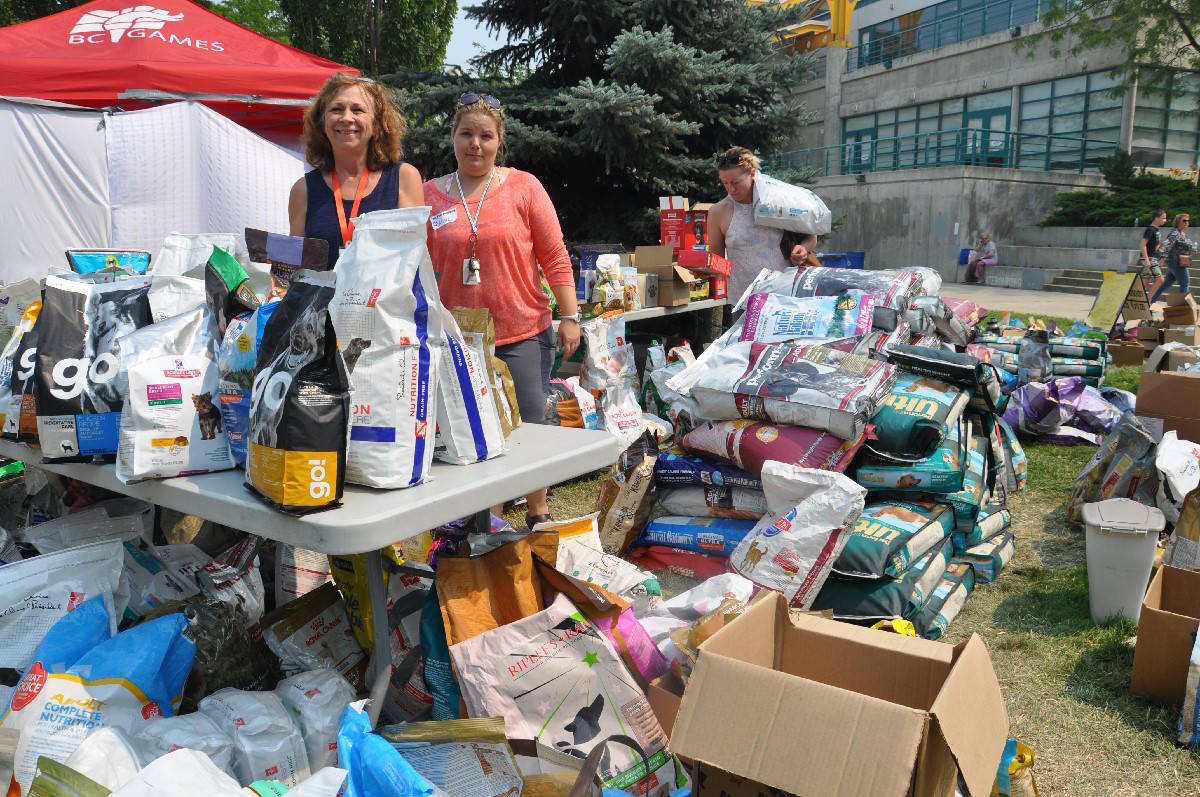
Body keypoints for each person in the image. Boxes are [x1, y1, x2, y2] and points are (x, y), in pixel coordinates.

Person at [423, 92, 580, 529]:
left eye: (485, 136)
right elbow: (413, 265)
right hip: (459, 339)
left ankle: (537, 511)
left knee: (529, 426)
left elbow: (555, 255)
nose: (476, 144)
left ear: (500, 141)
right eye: (466, 134)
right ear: (452, 138)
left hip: (521, 330)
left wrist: (570, 317)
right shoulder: (429, 196)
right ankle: (489, 518)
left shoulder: (524, 187)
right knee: (472, 428)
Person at [288, 74, 423, 269]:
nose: (346, 118)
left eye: (358, 110)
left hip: (384, 299)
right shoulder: (303, 190)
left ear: (377, 125)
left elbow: (413, 260)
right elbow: (293, 268)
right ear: (323, 122)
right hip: (322, 300)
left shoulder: (404, 178)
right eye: (336, 109)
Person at [707, 147, 790, 303]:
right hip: (743, 303)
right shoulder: (718, 212)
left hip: (783, 300)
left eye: (736, 182)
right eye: (725, 183)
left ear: (752, 174)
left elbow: (811, 236)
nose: (731, 189)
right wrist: (704, 270)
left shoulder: (776, 202)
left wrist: (804, 248)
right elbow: (718, 264)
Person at [1151, 213, 1198, 304]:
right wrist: (1162, 258)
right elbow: (1166, 245)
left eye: (1187, 221)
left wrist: (1192, 249)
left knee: (1165, 284)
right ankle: (1182, 311)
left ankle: (1151, 302)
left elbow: (1182, 248)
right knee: (1185, 283)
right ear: (1178, 222)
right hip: (1175, 262)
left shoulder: (1183, 234)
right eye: (1184, 220)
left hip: (1178, 262)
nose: (1186, 222)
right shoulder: (1175, 233)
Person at [1140, 208, 1168, 299]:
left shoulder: (1156, 230)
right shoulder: (1150, 229)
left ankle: (1136, 299)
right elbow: (1143, 244)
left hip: (1152, 257)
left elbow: (1154, 246)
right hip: (1149, 258)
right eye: (1163, 218)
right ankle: (1149, 300)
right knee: (1160, 280)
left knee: (1146, 282)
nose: (1165, 220)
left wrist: (1159, 245)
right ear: (1156, 218)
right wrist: (1147, 260)